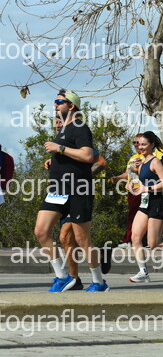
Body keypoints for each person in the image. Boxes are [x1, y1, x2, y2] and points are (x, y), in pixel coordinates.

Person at [35, 90, 108, 292]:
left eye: (59, 101)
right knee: (41, 231)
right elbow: (71, 156)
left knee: (82, 239)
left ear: (71, 105)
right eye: (55, 101)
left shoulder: (80, 128)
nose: (55, 105)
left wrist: (59, 149)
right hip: (58, 190)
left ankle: (99, 282)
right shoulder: (63, 129)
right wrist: (55, 161)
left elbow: (88, 156)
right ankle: (62, 277)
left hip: (78, 190)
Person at [47, 118, 111, 290]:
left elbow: (102, 162)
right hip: (62, 194)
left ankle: (82, 275)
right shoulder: (61, 143)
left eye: (60, 121)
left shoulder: (77, 142)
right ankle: (75, 278)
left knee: (68, 237)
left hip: (78, 192)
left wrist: (82, 175)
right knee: (67, 239)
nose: (58, 124)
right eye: (56, 122)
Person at [128, 132, 163, 282]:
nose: (140, 147)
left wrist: (147, 189)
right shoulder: (142, 163)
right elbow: (142, 183)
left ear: (152, 145)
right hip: (145, 203)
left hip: (157, 203)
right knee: (135, 237)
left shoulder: (155, 162)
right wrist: (132, 186)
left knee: (153, 244)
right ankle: (143, 272)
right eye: (138, 144)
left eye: (144, 144)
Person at [110, 134, 144, 248]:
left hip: (141, 190)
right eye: (134, 142)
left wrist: (138, 169)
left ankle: (129, 239)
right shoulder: (132, 157)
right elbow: (127, 174)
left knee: (134, 215)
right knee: (135, 214)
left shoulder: (147, 157)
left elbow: (148, 172)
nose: (136, 145)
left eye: (138, 142)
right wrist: (118, 178)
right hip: (131, 192)